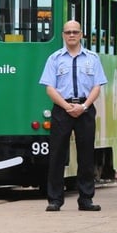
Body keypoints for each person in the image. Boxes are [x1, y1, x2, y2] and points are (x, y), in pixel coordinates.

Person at [39, 20, 107, 212]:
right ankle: (55, 199)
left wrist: (83, 106)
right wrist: (67, 107)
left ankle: (86, 199)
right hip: (62, 109)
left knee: (86, 155)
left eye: (75, 32)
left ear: (81, 34)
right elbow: (49, 88)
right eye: (68, 32)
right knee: (57, 155)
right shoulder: (54, 59)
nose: (71, 35)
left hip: (85, 108)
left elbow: (97, 86)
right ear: (63, 35)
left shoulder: (92, 58)